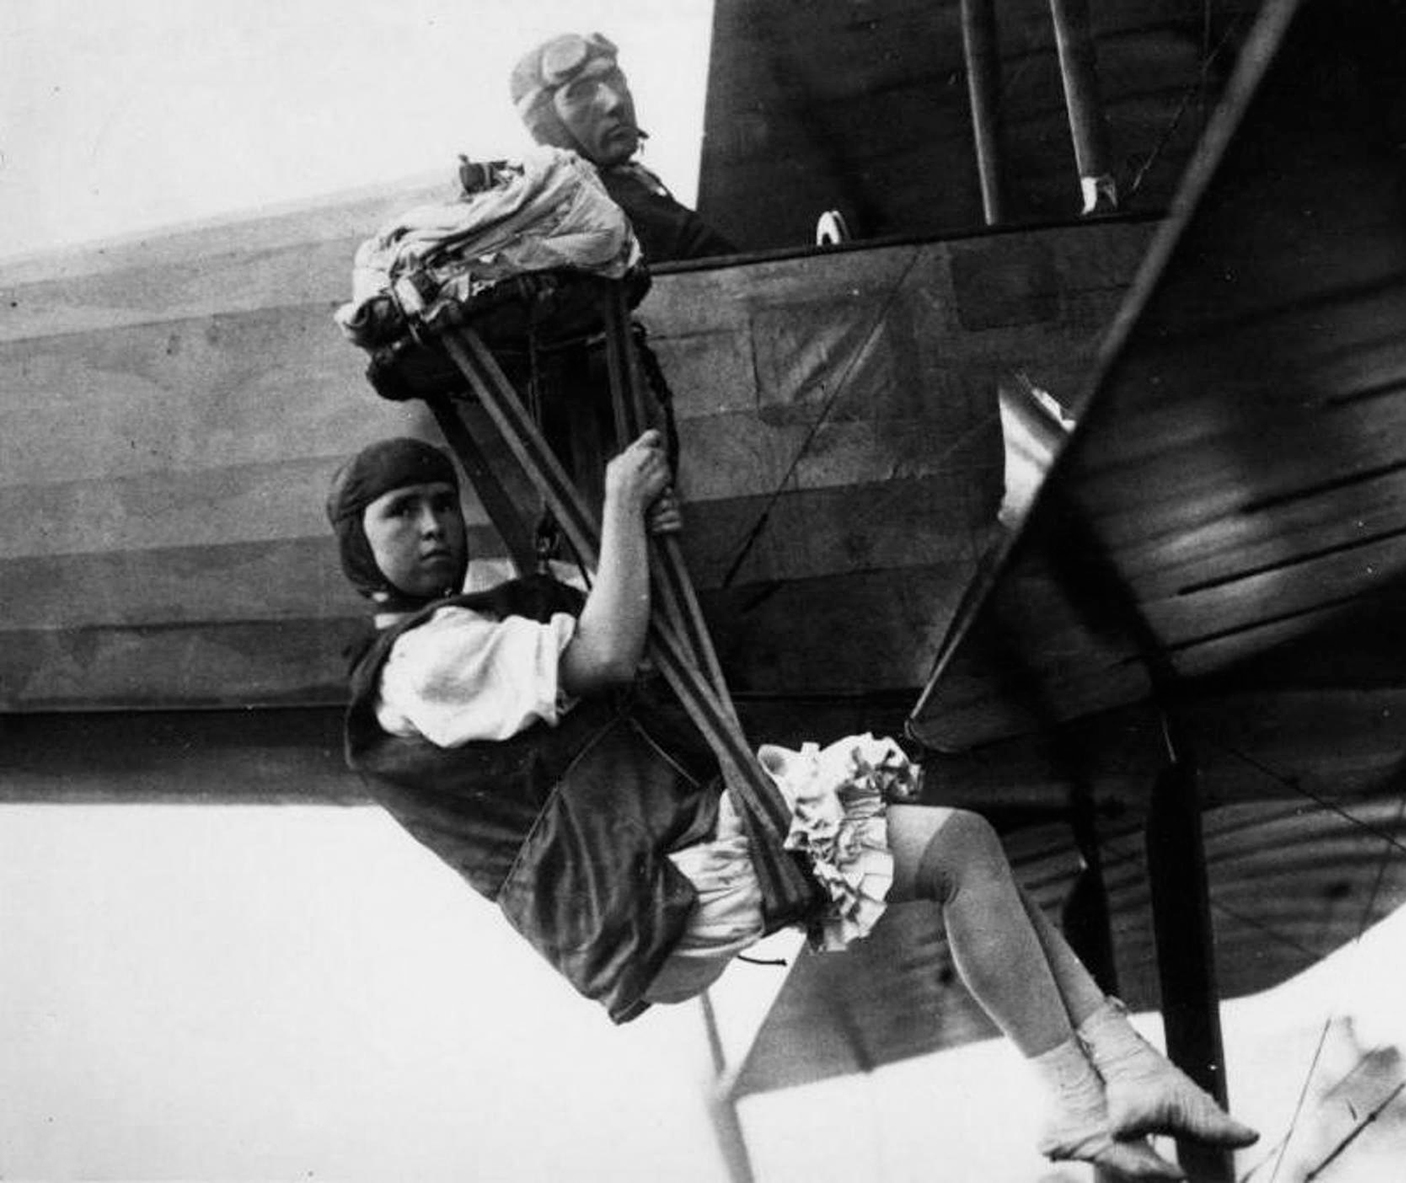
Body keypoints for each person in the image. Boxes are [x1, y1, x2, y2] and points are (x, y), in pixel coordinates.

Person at [327, 432, 1259, 1179]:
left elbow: (612, 624)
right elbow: (606, 655)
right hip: (657, 890)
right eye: (400, 513)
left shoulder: (462, 628)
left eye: (442, 503)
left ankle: (1122, 1072)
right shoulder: (422, 662)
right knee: (962, 852)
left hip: (658, 875)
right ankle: (1078, 1092)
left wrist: (628, 546)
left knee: (966, 853)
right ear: (357, 548)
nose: (433, 526)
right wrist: (618, 504)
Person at [509, 32, 738, 264]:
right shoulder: (600, 212)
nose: (614, 102)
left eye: (614, 79)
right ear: (550, 124)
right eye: (580, 93)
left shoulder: (633, 192)